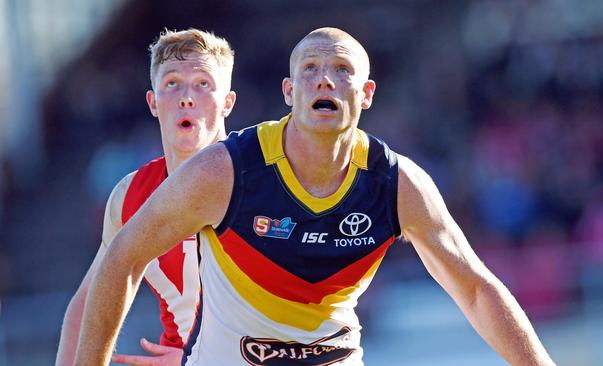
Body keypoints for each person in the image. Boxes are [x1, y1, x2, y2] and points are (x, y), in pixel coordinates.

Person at [74, 27, 555, 365]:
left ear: (366, 94)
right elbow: (120, 260)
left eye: (341, 69)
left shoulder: (396, 184)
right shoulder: (226, 171)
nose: (324, 79)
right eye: (310, 68)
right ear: (288, 91)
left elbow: (475, 289)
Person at [56, 28, 236, 366]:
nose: (187, 97)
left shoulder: (261, 173)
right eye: (172, 83)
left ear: (227, 102)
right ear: (153, 102)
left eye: (203, 83)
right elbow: (87, 306)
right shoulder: (129, 194)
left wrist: (202, 358)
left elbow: (301, 308)